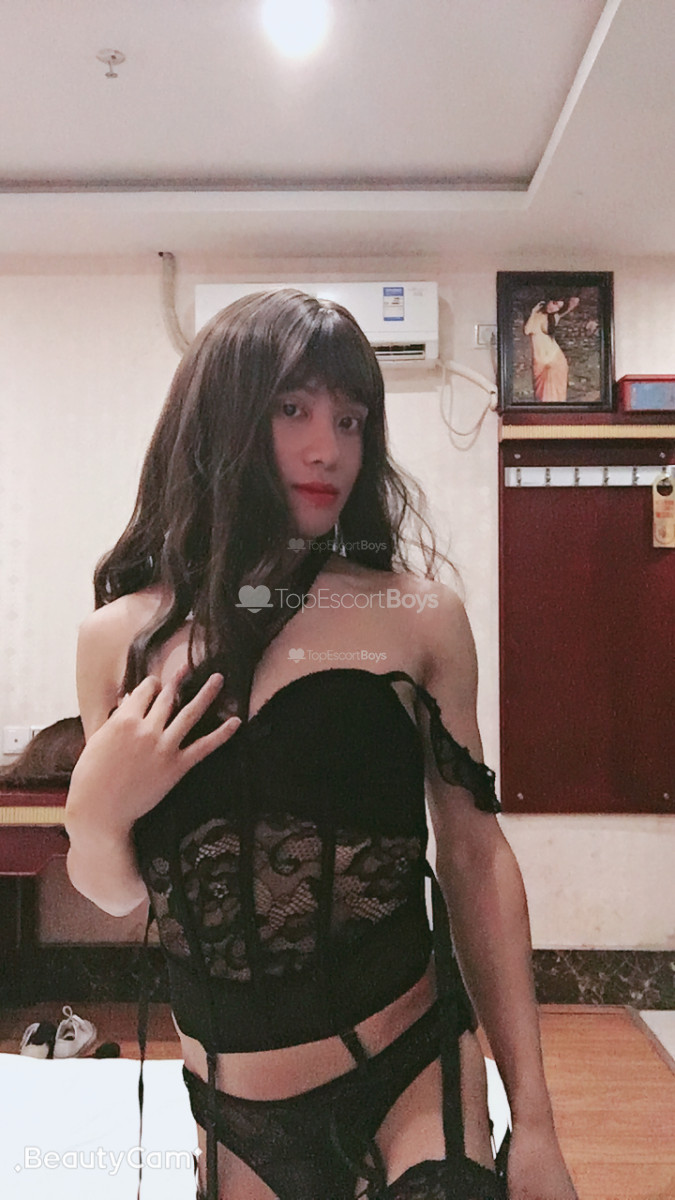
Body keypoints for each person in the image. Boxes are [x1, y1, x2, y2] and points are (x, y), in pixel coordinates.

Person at [64, 289, 578, 1200]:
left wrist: (533, 1121)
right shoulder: (118, 642)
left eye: (349, 419)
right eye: (292, 409)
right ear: (217, 422)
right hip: (233, 1117)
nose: (328, 449)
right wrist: (94, 818)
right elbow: (118, 893)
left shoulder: (416, 618)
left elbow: (472, 856)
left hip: (409, 1075)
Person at [523, 297, 580, 404]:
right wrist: (533, 311)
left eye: (558, 307)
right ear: (548, 300)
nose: (555, 308)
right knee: (543, 390)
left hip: (555, 355)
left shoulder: (553, 317)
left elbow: (568, 308)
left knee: (557, 387)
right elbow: (527, 330)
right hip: (541, 357)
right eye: (554, 303)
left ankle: (558, 406)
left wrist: (569, 306)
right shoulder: (536, 314)